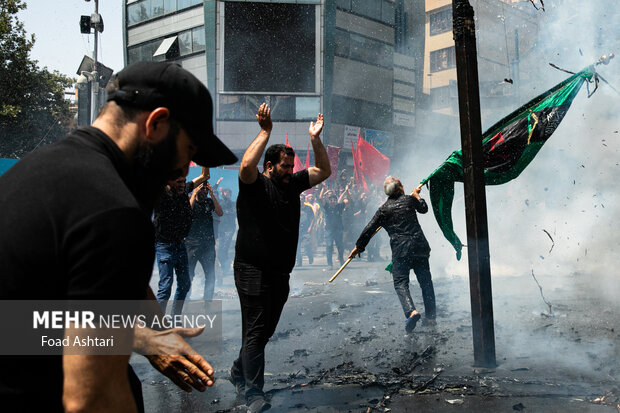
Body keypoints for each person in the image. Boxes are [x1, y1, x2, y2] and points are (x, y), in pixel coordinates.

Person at [0, 61, 237, 412]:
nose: (182, 169)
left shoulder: (35, 170)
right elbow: (91, 398)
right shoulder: (114, 211)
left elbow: (20, 322)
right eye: (187, 151)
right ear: (156, 124)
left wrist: (150, 334)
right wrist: (131, 337)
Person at [229, 104, 330, 412]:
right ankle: (254, 393)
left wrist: (315, 140)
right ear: (270, 166)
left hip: (279, 272)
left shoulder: (294, 184)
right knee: (257, 330)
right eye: (285, 166)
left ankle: (237, 370)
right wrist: (264, 131)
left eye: (292, 165)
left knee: (264, 331)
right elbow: (246, 167)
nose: (290, 171)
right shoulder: (256, 185)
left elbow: (324, 170)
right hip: (251, 269)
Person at [349, 176, 436, 334]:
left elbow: (369, 229)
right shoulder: (409, 200)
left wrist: (358, 247)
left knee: (401, 283)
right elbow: (423, 208)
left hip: (401, 250)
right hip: (420, 247)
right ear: (400, 187)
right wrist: (417, 196)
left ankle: (411, 311)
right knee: (426, 282)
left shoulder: (383, 210)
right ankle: (430, 317)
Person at [154, 168, 209, 315]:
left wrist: (204, 154)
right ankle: (156, 324)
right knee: (165, 287)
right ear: (169, 182)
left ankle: (174, 319)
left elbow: (205, 176)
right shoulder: (161, 195)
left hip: (181, 245)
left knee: (184, 285)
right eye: (179, 182)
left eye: (184, 181)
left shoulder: (184, 190)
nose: (182, 185)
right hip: (165, 247)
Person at [186, 177, 223, 300]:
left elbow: (220, 212)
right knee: (189, 274)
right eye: (202, 189)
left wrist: (212, 195)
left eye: (206, 190)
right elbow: (188, 212)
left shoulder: (208, 201)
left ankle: (208, 300)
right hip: (192, 244)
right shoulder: (191, 201)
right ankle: (186, 298)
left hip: (208, 244)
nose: (204, 192)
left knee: (210, 275)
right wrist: (195, 193)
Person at [319, 188, 347, 268]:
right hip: (329, 230)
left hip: (338, 230)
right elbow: (321, 198)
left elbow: (346, 201)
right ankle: (329, 264)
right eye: (331, 200)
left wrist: (346, 191)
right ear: (329, 201)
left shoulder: (339, 207)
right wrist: (323, 188)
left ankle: (342, 261)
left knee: (340, 246)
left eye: (334, 200)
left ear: (336, 201)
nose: (333, 201)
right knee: (329, 246)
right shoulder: (327, 207)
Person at [217, 187, 236, 277]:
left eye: (227, 194)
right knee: (221, 251)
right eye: (224, 194)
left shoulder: (233, 204)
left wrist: (229, 212)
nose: (226, 195)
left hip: (229, 230)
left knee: (224, 249)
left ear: (230, 195)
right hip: (221, 230)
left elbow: (233, 211)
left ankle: (226, 267)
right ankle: (225, 266)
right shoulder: (220, 203)